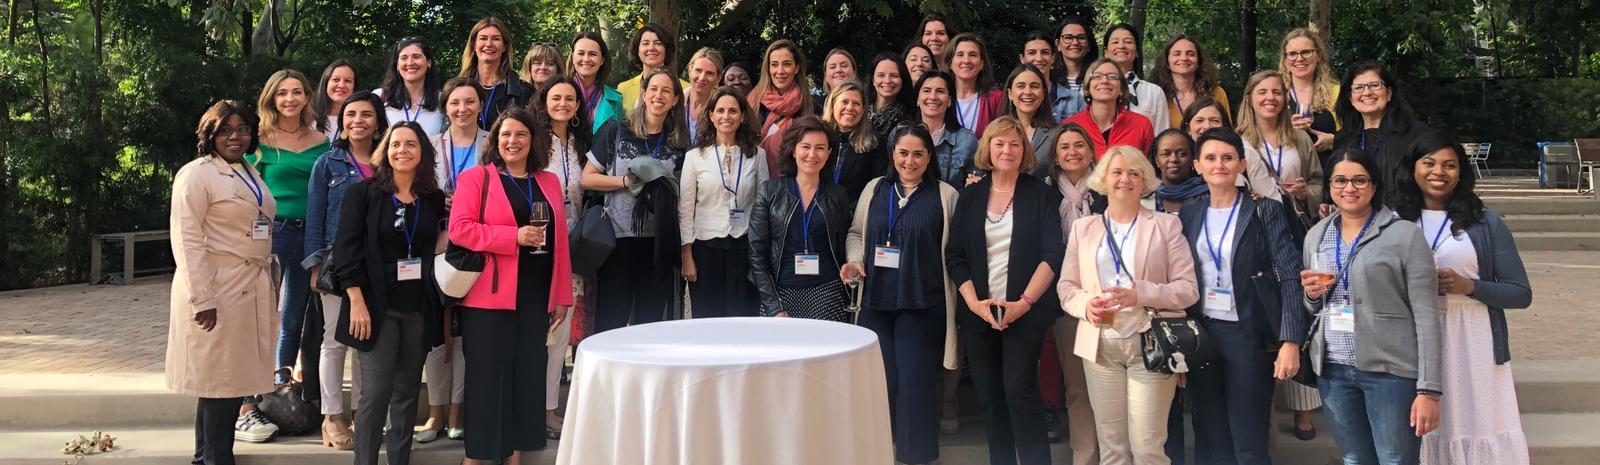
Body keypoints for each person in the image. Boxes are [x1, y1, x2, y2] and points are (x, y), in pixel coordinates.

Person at [1394, 132, 1532, 465]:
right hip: (1413, 341)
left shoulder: (1486, 222)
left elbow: (1520, 293)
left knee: (1473, 427)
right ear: (1412, 169)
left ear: (1461, 172)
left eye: (1449, 165)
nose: (1438, 172)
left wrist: (1469, 286)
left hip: (1473, 341)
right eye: (1428, 163)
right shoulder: (1393, 220)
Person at [1057, 144, 1198, 465]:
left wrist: (1141, 294)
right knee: (1112, 448)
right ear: (1103, 180)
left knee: (1148, 447)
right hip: (1100, 347)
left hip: (1151, 344)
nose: (1125, 179)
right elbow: (1067, 288)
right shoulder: (1084, 228)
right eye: (1116, 172)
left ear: (1145, 180)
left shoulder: (1166, 225)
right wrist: (1087, 305)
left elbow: (1188, 290)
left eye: (1134, 172)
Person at [1300, 148, 1442, 465]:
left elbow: (1427, 315)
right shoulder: (1315, 236)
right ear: (1330, 187)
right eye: (1340, 180)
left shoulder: (1404, 234)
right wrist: (1310, 296)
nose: (1349, 188)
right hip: (1334, 370)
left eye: (1359, 180)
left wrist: (1429, 390)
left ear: (1374, 186)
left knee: (1396, 459)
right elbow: (1314, 308)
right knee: (1354, 459)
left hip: (1390, 371)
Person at [449, 109, 574, 464]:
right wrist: (512, 237)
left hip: (536, 295)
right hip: (489, 296)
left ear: (532, 140)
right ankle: (477, 456)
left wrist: (562, 295)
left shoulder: (548, 181)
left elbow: (560, 243)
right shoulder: (477, 179)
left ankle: (514, 453)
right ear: (495, 140)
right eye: (505, 134)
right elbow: (460, 229)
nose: (512, 141)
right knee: (488, 379)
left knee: (526, 373)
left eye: (520, 134)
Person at [1179, 128, 1308, 465]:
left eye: (1227, 157)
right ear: (1197, 165)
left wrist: (1291, 339)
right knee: (1209, 431)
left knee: (1248, 436)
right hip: (1202, 335)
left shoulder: (1265, 210)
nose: (1219, 164)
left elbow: (1290, 273)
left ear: (1240, 164)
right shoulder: (1190, 212)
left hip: (1247, 334)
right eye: (1210, 158)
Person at [945, 116, 1064, 465]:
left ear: (1024, 149)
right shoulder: (970, 196)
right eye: (999, 143)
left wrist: (1023, 304)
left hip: (1023, 311)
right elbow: (956, 255)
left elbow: (1051, 255)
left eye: (1014, 143)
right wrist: (974, 304)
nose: (1007, 150)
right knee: (990, 398)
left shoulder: (1040, 194)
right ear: (988, 148)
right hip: (979, 312)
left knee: (1019, 391)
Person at [842, 125, 959, 465]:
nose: (910, 160)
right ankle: (876, 453)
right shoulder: (875, 189)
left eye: (918, 153)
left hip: (922, 302)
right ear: (892, 154)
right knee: (879, 381)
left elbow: (955, 249)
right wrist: (853, 259)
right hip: (876, 300)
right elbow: (855, 232)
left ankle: (917, 456)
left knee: (914, 384)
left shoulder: (945, 195)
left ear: (929, 157)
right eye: (903, 152)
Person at [331, 121, 447, 465]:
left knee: (407, 393)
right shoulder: (363, 194)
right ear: (386, 150)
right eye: (396, 144)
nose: (402, 151)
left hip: (417, 308)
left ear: (423, 152)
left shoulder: (432, 199)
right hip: (374, 308)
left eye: (411, 144)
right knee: (375, 394)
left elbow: (431, 246)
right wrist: (356, 301)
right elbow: (345, 252)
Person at [169, 100, 278, 465]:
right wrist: (203, 298)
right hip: (218, 287)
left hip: (249, 283)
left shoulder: (250, 170)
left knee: (225, 382)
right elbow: (186, 238)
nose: (235, 137)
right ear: (210, 134)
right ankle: (216, 458)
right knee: (221, 383)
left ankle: (206, 458)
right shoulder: (197, 174)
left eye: (243, 129)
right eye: (226, 130)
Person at [247, 69, 330, 440]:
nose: (290, 99)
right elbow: (244, 191)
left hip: (308, 235)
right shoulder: (259, 141)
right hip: (270, 234)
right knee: (261, 314)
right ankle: (248, 391)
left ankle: (281, 381)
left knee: (294, 313)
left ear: (307, 97)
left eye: (297, 92)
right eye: (282, 93)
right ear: (272, 99)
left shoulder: (323, 142)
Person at [304, 91, 388, 450]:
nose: (358, 121)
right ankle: (333, 416)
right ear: (342, 122)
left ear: (378, 120)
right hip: (338, 263)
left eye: (366, 114)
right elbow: (315, 216)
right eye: (351, 114)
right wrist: (315, 264)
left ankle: (364, 417)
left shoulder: (390, 161)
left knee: (370, 342)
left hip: (382, 265)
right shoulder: (328, 164)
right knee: (334, 341)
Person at [581, 68, 690, 333]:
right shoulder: (616, 132)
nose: (658, 96)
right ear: (643, 94)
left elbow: (682, 193)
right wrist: (625, 183)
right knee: (611, 321)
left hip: (658, 243)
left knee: (650, 324)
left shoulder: (679, 143)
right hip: (618, 240)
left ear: (676, 99)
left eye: (666, 91)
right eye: (653, 89)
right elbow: (587, 178)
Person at [414, 78, 485, 444]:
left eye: (469, 101)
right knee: (436, 330)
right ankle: (436, 411)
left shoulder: (492, 144)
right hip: (436, 244)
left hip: (478, 247)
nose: (462, 109)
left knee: (466, 330)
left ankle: (458, 408)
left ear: (479, 105)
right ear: (446, 107)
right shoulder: (430, 146)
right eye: (455, 102)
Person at [1035, 122, 1102, 465]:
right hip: (1067, 302)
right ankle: (1085, 452)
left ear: (1091, 151)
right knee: (1077, 386)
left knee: (1111, 388)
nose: (1073, 152)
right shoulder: (1046, 195)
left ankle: (1115, 452)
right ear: (1056, 157)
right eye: (1065, 147)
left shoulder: (1109, 190)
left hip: (1108, 302)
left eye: (1079, 145)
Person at [748, 116, 852, 321]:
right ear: (793, 150)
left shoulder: (838, 195)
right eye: (805, 146)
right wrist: (774, 306)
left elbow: (842, 246)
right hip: (780, 295)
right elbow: (756, 252)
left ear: (829, 153)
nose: (812, 154)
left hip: (827, 293)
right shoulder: (770, 192)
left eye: (820, 148)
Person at [679, 86, 769, 318]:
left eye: (732, 111)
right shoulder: (695, 156)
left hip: (744, 247)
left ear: (741, 116)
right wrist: (687, 256)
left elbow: (762, 206)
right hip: (705, 248)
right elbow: (686, 209)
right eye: (720, 111)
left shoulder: (757, 156)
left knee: (742, 318)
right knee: (707, 319)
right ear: (711, 115)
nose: (726, 116)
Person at [535, 76, 592, 440]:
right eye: (556, 98)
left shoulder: (583, 142)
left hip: (576, 244)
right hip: (538, 244)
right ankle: (527, 405)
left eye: (570, 98)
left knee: (560, 328)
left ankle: (550, 409)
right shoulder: (534, 140)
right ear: (544, 101)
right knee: (535, 330)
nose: (563, 104)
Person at [1333, 62, 1430, 209]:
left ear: (1389, 93)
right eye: (1358, 88)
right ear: (1350, 98)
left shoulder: (1417, 134)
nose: (1367, 93)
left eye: (1374, 85)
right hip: (1357, 222)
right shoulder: (1343, 139)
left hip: (1405, 221)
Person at [1239, 70, 1324, 226]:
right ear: (1249, 100)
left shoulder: (1300, 138)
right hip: (1256, 225)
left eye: (1276, 92)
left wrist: (1305, 193)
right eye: (1262, 92)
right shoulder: (1237, 142)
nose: (1270, 97)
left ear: (1285, 99)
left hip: (1296, 224)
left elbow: (1319, 182)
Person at [1184, 97, 1283, 204]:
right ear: (1188, 129)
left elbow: (1273, 201)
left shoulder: (1244, 152)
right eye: (1199, 120)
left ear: (1224, 126)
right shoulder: (1181, 158)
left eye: (1215, 121)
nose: (1207, 126)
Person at [1062, 58, 1154, 160]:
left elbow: (1149, 170)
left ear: (1122, 89)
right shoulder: (1070, 126)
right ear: (1087, 88)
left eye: (1112, 77)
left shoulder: (1141, 124)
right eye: (1097, 76)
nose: (1105, 81)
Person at [749, 39, 814, 176]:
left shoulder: (810, 107)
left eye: (787, 64)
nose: (780, 71)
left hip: (791, 183)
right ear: (768, 68)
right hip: (751, 179)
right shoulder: (752, 102)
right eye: (774, 64)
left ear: (796, 68)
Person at [1280, 26, 1340, 170]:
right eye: (1292, 54)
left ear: (1318, 56)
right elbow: (1256, 136)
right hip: (1286, 176)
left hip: (1330, 173)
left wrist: (1334, 140)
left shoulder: (1336, 92)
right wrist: (1285, 130)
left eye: (1306, 52)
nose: (1299, 59)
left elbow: (1355, 135)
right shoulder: (1275, 93)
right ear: (1285, 59)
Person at [458, 17, 534, 129]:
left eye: (496, 39)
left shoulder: (523, 92)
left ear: (504, 46)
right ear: (474, 45)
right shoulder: (457, 89)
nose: (489, 44)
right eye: (483, 38)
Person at [821, 81, 884, 201]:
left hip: (852, 214)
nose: (850, 108)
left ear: (863, 110)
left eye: (856, 104)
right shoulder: (817, 137)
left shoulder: (875, 143)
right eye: (844, 102)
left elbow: (876, 189)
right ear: (833, 104)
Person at [913, 70, 978, 186]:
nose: (933, 97)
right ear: (917, 99)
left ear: (949, 101)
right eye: (927, 91)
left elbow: (974, 187)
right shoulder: (899, 135)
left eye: (940, 91)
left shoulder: (967, 141)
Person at [1151, 35, 1228, 131]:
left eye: (1190, 54)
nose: (1184, 58)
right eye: (1177, 54)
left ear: (1199, 61)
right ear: (1167, 62)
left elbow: (1227, 131)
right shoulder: (1156, 95)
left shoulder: (1216, 93)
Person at [1102, 24, 1169, 134]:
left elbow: (1162, 136)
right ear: (1106, 52)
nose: (1121, 46)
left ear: (1137, 51)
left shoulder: (1154, 92)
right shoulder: (1095, 89)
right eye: (1115, 42)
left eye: (1128, 42)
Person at [380, 37, 446, 138]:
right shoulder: (380, 97)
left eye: (416, 57)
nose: (410, 63)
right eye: (404, 58)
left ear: (428, 62)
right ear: (397, 65)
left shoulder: (442, 100)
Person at [618, 23, 687, 115]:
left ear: (666, 50)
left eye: (658, 43)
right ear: (637, 50)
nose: (651, 48)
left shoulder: (685, 89)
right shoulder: (623, 89)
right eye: (645, 43)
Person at [947, 33, 1005, 139]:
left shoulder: (997, 99)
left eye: (973, 55)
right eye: (960, 55)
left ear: (981, 64)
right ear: (950, 63)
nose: (966, 61)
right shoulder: (940, 97)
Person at [568, 31, 625, 134]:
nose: (586, 59)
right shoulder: (557, 93)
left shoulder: (615, 100)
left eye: (592, 54)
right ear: (572, 57)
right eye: (581, 53)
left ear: (602, 60)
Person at [1001, 64, 1060, 158]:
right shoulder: (995, 132)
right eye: (1021, 86)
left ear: (1043, 94)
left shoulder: (1057, 134)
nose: (1028, 92)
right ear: (1010, 94)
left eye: (1034, 86)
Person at [1147, 129, 1204, 214]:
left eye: (1182, 154)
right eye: (1166, 154)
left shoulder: (1209, 197)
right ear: (1157, 161)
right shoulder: (1144, 201)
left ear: (1192, 159)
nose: (1174, 159)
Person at [1053, 17, 1098, 122]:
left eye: (1081, 38)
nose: (1075, 42)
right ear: (1058, 44)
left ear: (1089, 45)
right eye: (1068, 38)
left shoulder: (1098, 78)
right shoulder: (1049, 79)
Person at [867, 53, 915, 143]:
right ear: (873, 80)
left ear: (902, 80)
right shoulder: (859, 111)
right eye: (881, 75)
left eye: (894, 75)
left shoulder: (908, 121)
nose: (887, 81)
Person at [683, 47, 724, 145]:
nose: (702, 78)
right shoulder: (674, 103)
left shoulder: (721, 108)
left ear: (718, 78)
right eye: (698, 70)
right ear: (690, 70)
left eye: (709, 73)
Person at [314, 60, 357, 141]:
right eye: (336, 80)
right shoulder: (308, 118)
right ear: (326, 82)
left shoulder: (358, 121)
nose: (341, 85)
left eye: (348, 81)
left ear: (354, 86)